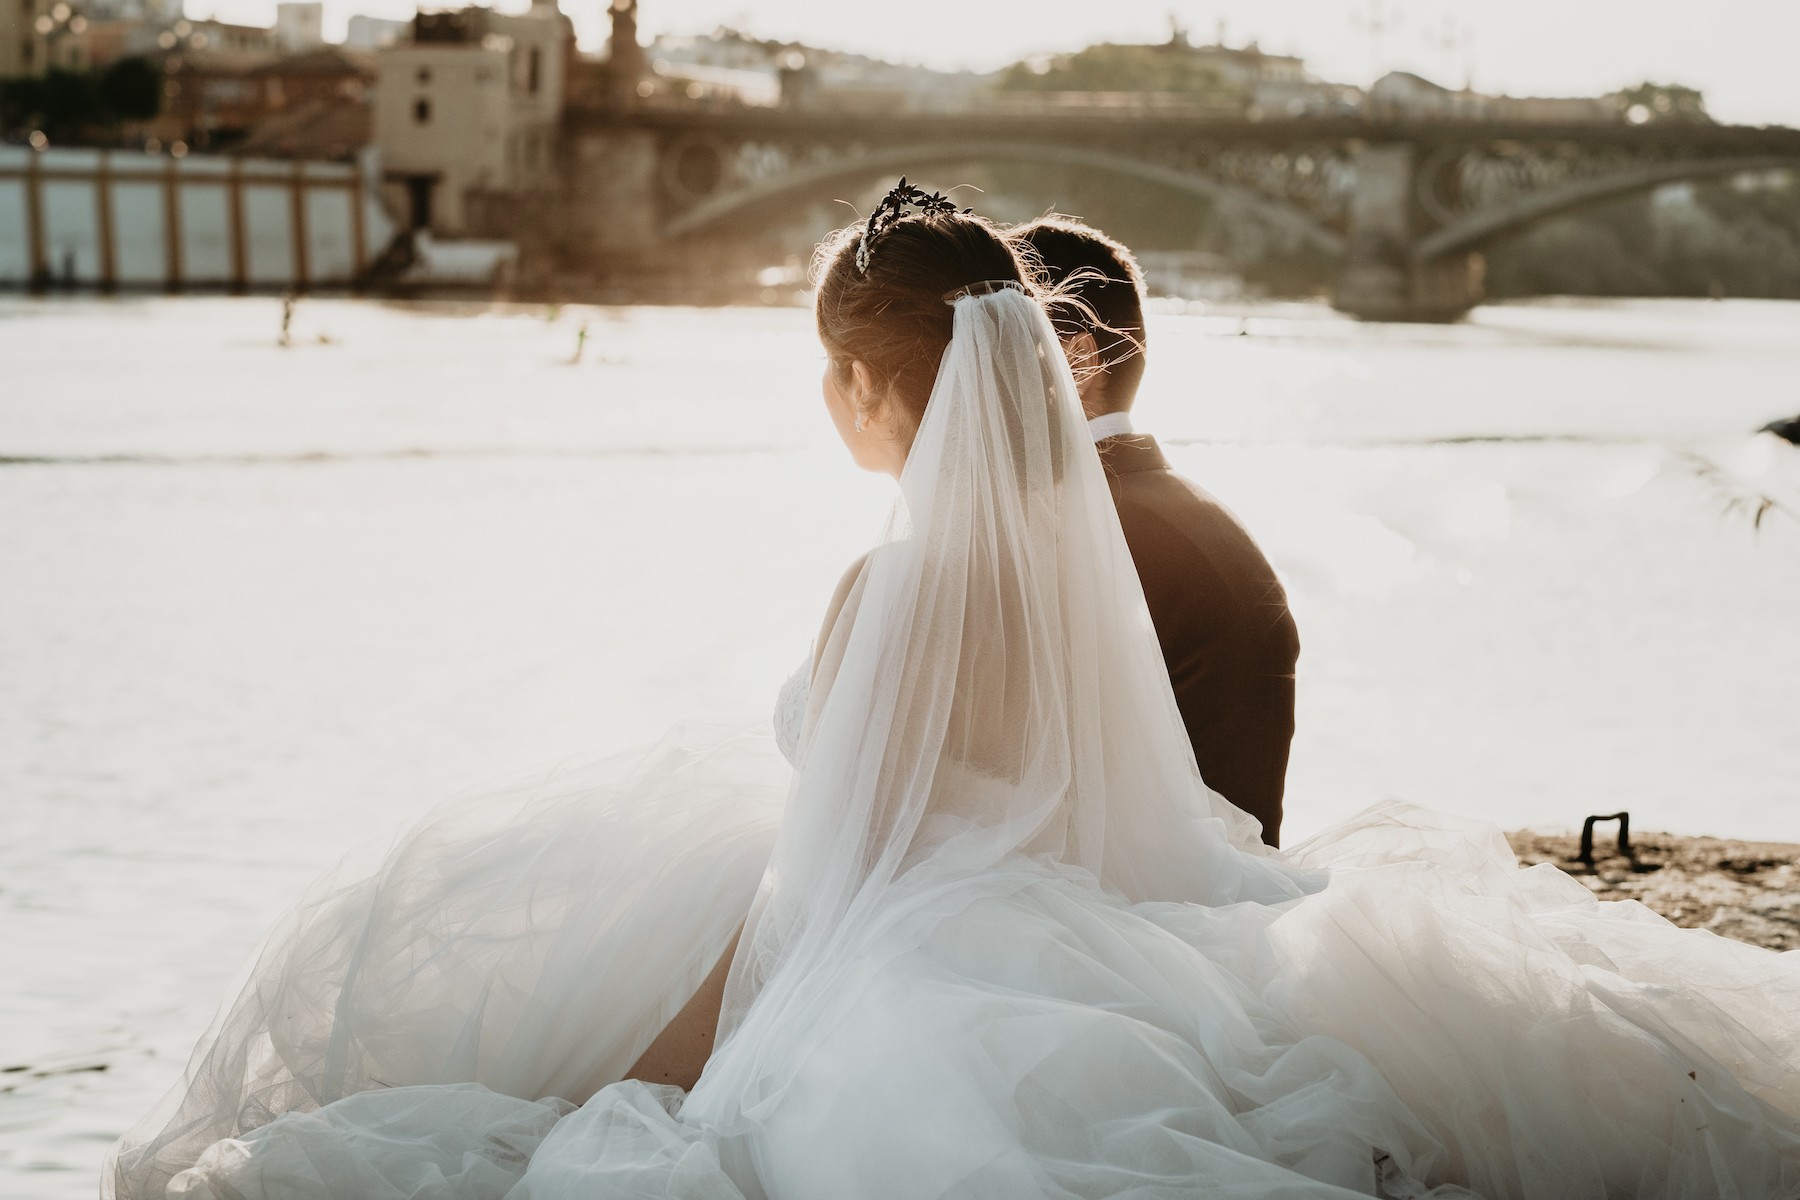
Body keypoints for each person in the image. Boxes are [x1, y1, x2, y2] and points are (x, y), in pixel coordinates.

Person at [109, 183, 1800, 1200]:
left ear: (862, 387)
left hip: (920, 962)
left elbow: (828, 890)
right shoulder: (1076, 575)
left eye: (826, 376)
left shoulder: (897, 589)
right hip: (1085, 931)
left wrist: (636, 1074)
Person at [1012, 216, 1298, 847]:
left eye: (1000, 349)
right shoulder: (1185, 511)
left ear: (1076, 359)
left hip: (1139, 894)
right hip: (1211, 882)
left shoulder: (1087, 528)